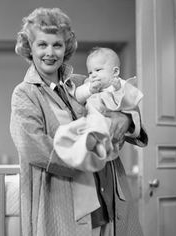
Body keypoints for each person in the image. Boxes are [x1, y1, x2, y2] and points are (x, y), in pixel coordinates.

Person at [10, 7, 148, 236]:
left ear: (66, 48)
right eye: (42, 44)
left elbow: (126, 108)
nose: (50, 52)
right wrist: (88, 156)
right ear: (29, 48)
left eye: (57, 45)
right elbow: (32, 147)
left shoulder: (84, 83)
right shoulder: (25, 94)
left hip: (110, 195)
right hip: (66, 201)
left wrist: (125, 119)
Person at [53, 47, 143, 161]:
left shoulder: (121, 85)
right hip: (93, 123)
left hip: (111, 128)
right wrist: (90, 90)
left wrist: (118, 91)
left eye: (98, 70)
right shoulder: (89, 84)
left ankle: (103, 147)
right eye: (90, 72)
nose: (93, 75)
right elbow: (78, 96)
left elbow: (131, 104)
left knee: (108, 141)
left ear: (115, 72)